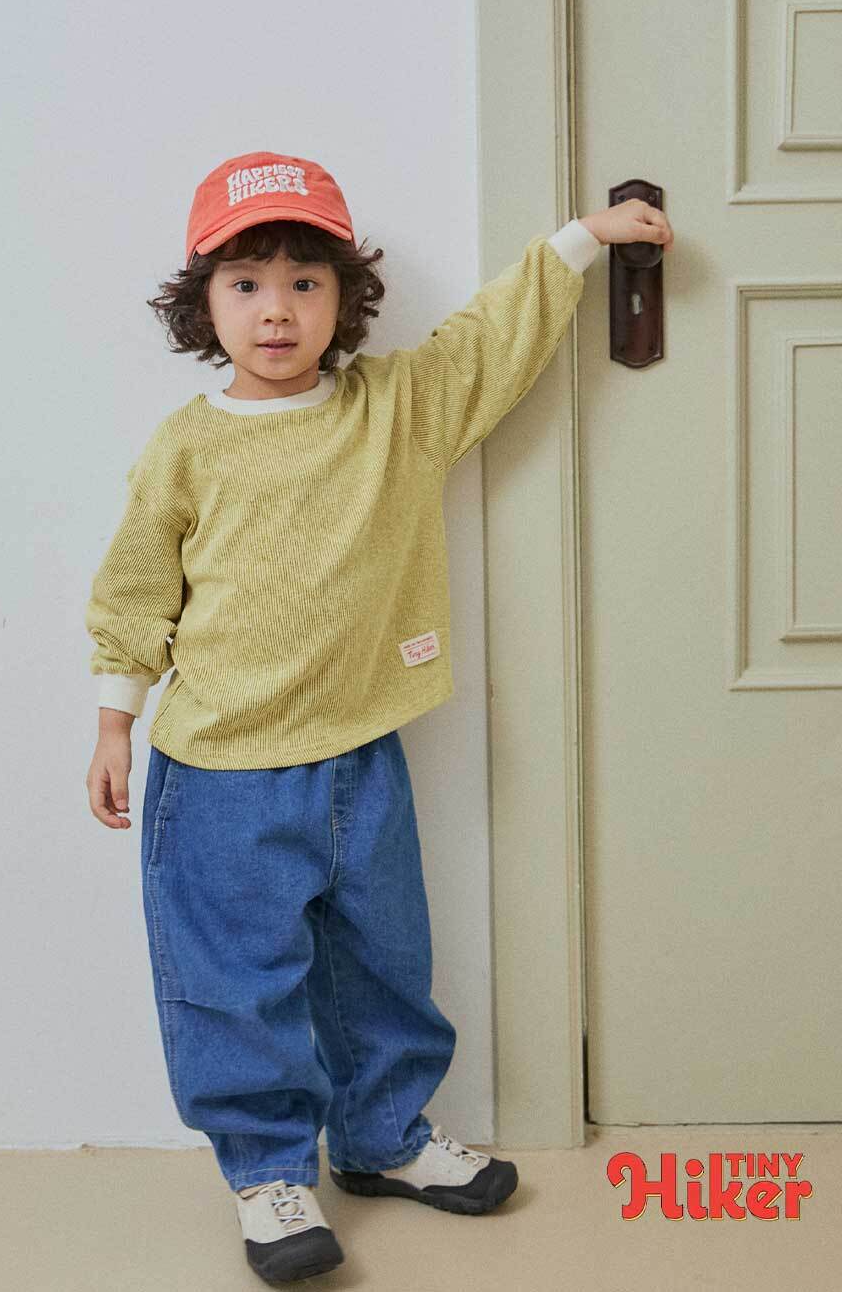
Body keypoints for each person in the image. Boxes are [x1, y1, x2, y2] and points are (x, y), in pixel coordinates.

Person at [84, 150, 674, 1285]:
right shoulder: (187, 447)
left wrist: (583, 240)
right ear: (204, 303)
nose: (277, 310)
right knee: (237, 984)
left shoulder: (395, 410)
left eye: (305, 283)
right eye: (247, 284)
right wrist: (116, 718)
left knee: (383, 964)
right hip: (221, 771)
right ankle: (268, 1171)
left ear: (345, 298)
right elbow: (135, 590)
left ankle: (383, 1136)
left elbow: (489, 342)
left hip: (361, 759)